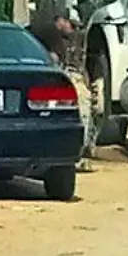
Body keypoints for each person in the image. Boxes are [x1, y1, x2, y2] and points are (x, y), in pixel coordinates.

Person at [30, 12, 96, 172]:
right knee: (81, 105)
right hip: (50, 80)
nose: (73, 30)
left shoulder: (35, 31)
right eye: (71, 25)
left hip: (38, 81)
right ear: (60, 21)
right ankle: (78, 154)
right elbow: (56, 58)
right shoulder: (52, 34)